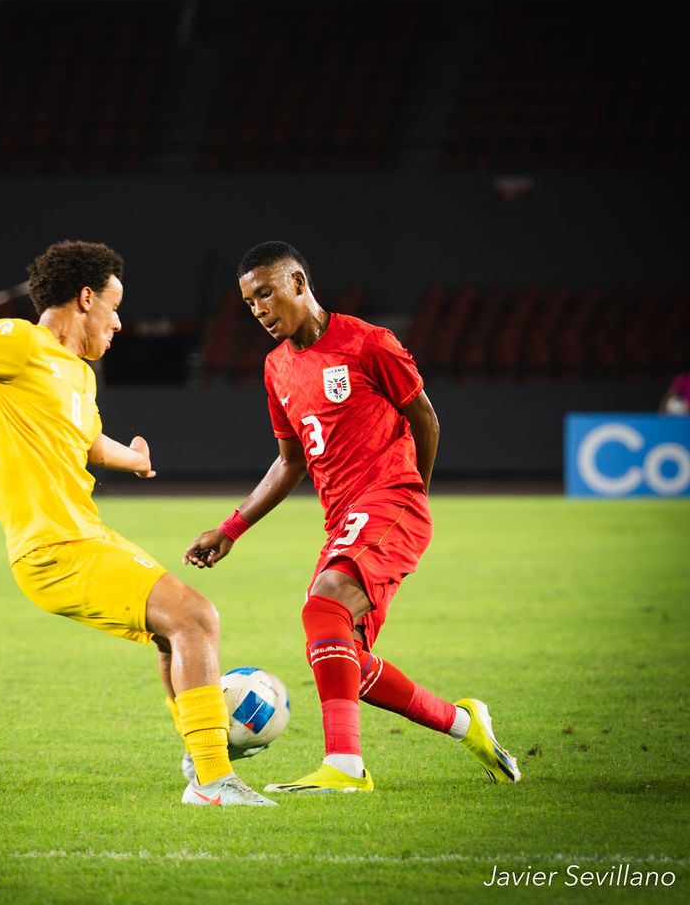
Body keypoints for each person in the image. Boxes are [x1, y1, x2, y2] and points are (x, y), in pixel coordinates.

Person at [0, 239, 274, 807]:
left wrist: (135, 457)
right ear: (85, 298)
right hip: (54, 547)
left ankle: (203, 758)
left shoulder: (79, 376)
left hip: (85, 535)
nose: (118, 323)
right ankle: (214, 781)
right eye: (114, 308)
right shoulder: (20, 341)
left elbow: (89, 442)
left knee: (175, 634)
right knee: (196, 616)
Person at [183, 240, 521, 794]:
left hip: (390, 501)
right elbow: (291, 461)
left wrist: (412, 496)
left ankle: (345, 766)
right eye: (248, 303)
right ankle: (468, 724)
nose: (259, 310)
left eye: (266, 294)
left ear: (298, 282)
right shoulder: (276, 368)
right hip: (343, 520)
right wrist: (231, 528)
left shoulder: (368, 344)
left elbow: (426, 420)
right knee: (349, 661)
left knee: (324, 604)